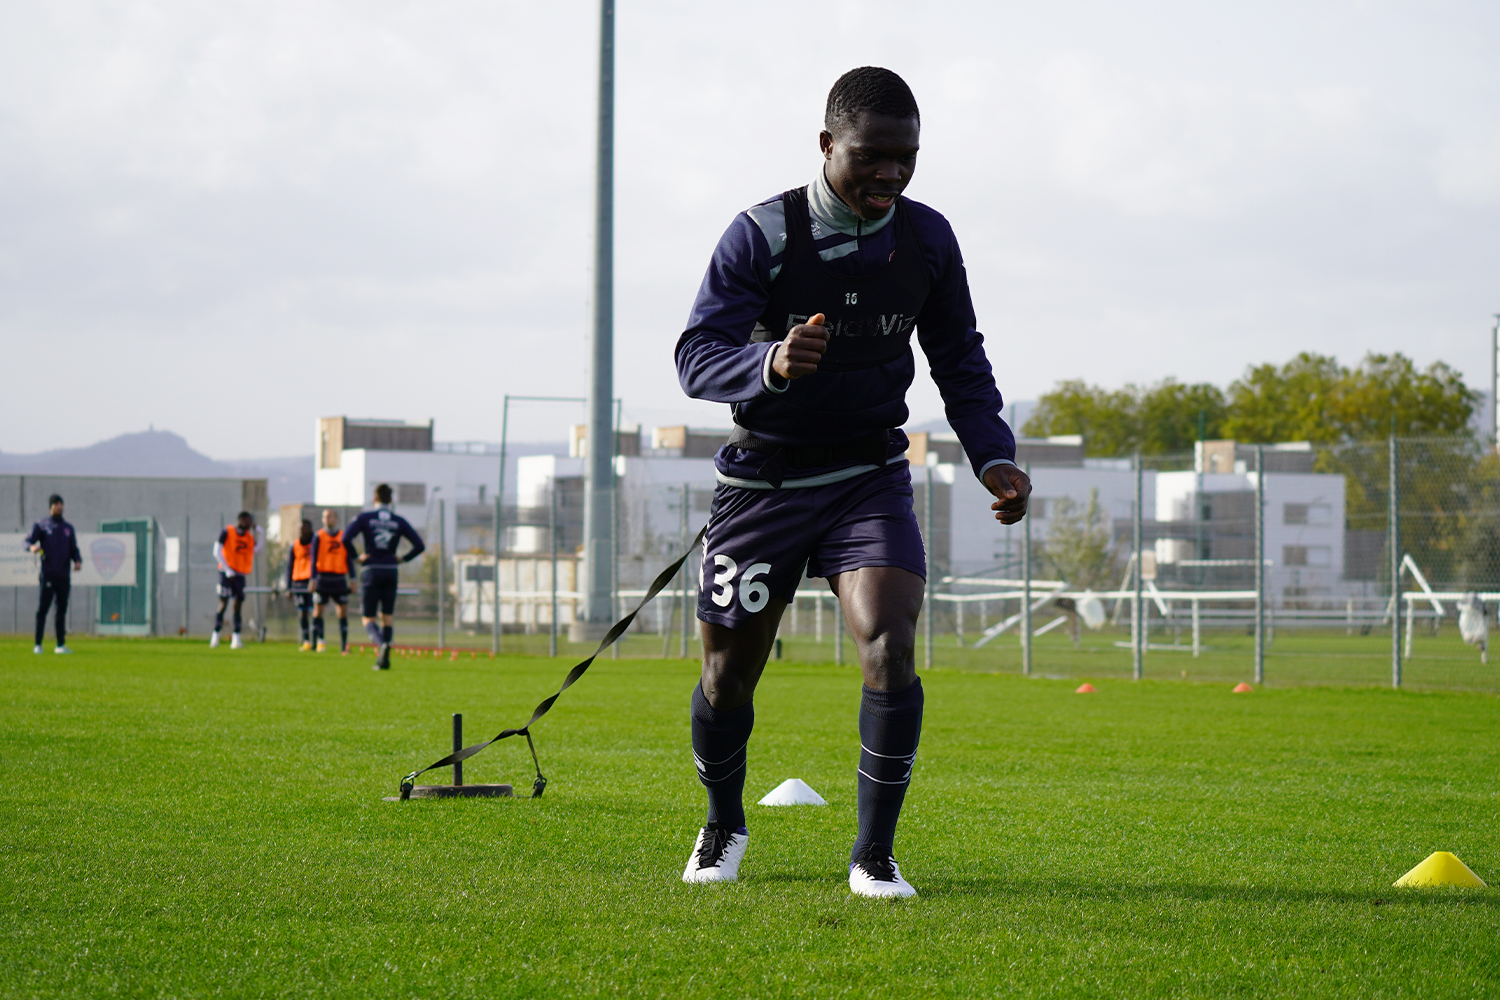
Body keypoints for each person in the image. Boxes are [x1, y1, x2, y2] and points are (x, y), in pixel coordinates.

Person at [674, 67, 1030, 898]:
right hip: (763, 482)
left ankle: (874, 855)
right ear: (827, 144)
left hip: (868, 475)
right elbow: (695, 357)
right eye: (872, 156)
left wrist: (994, 453)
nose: (891, 175)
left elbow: (961, 361)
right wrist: (768, 361)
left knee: (889, 645)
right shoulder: (760, 233)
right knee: (728, 676)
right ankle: (723, 822)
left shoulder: (929, 239)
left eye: (906, 158)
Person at [343, 484, 425, 671]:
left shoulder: (365, 518)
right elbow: (419, 545)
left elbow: (345, 538)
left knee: (368, 618)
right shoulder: (399, 520)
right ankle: (384, 660)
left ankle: (382, 645)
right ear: (391, 500)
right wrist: (402, 558)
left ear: (374, 499)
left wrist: (356, 558)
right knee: (387, 617)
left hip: (371, 570)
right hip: (390, 570)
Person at [27, 494, 83, 654]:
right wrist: (32, 547)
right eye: (57, 505)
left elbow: (74, 548)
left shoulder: (67, 528)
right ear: (51, 507)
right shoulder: (42, 525)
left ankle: (60, 645)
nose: (60, 507)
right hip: (48, 573)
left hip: (64, 575)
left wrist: (77, 561)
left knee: (61, 610)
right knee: (43, 609)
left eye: (61, 504)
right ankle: (38, 644)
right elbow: (28, 541)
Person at [309, 508, 356, 654]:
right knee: (318, 611)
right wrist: (313, 578)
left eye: (330, 516)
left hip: (339, 579)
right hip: (323, 579)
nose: (327, 519)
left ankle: (343, 646)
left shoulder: (343, 537)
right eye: (324, 517)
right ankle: (318, 643)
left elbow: (349, 559)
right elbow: (313, 559)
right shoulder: (319, 536)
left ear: (336, 519)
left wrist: (353, 578)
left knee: (342, 612)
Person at [211, 511, 260, 649]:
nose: (250, 524)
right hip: (226, 573)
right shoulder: (227, 531)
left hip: (239, 574)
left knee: (237, 605)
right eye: (248, 521)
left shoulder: (249, 537)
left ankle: (236, 638)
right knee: (223, 603)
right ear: (242, 520)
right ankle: (215, 635)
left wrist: (260, 532)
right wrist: (227, 569)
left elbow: (258, 549)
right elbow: (216, 551)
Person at [285, 518, 315, 650]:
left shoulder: (316, 543)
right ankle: (306, 641)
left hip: (313, 581)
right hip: (299, 582)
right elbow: (289, 566)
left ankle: (318, 640)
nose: (301, 531)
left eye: (304, 528)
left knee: (316, 612)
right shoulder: (295, 545)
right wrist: (288, 587)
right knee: (302, 613)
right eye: (299, 528)